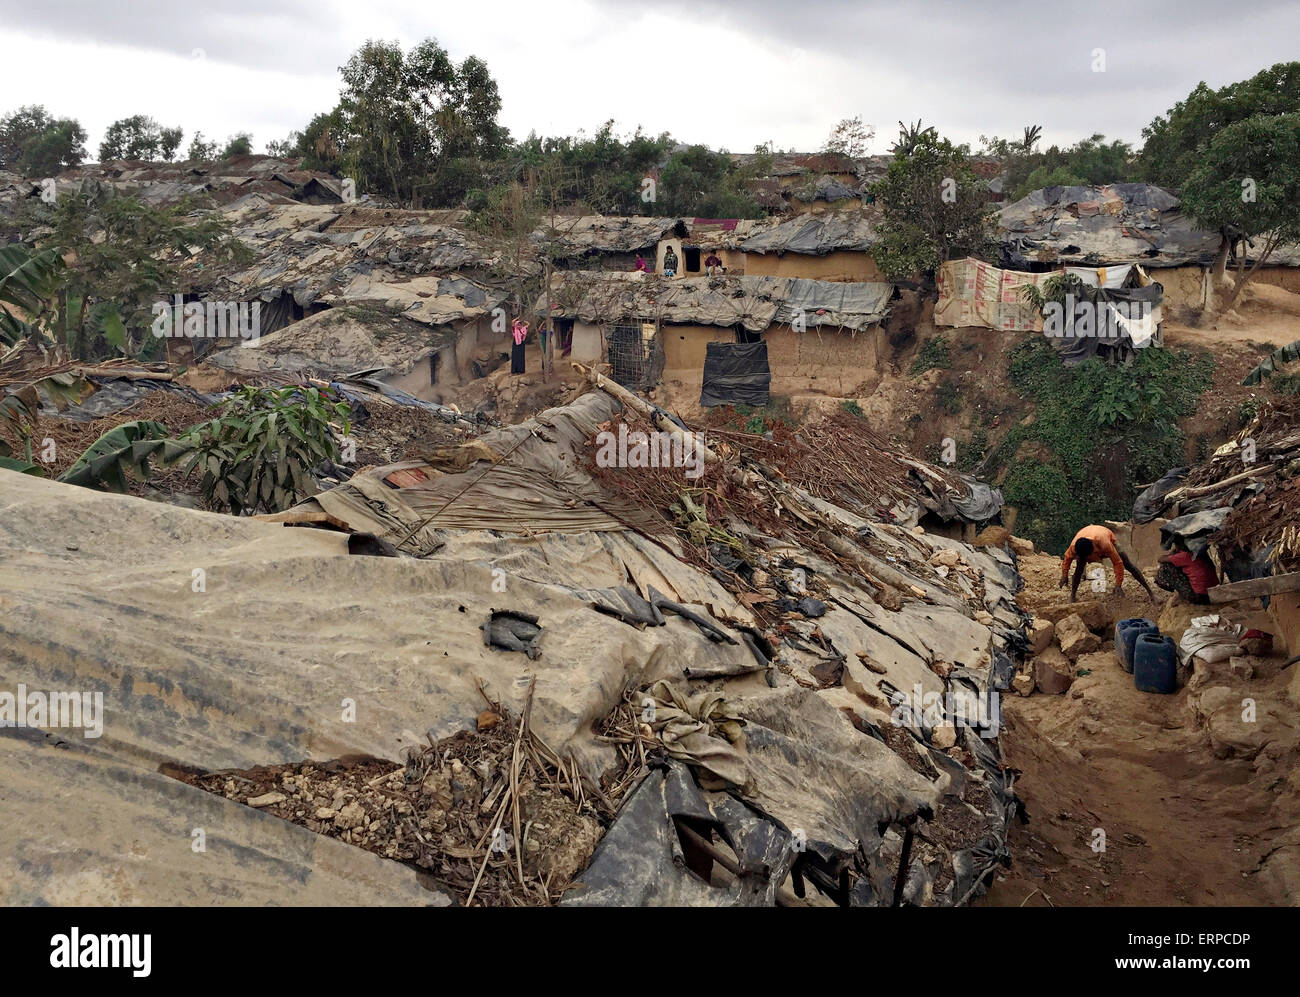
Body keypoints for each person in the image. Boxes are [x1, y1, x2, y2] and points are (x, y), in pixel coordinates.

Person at [1059, 524, 1154, 602]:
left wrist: (1118, 585)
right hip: (1086, 536)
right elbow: (1067, 560)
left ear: (1094, 548)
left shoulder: (1105, 544)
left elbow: (1117, 563)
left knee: (1128, 564)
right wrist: (1064, 575)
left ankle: (1151, 593)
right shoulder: (1074, 547)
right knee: (1079, 569)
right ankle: (1073, 596)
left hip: (1105, 536)